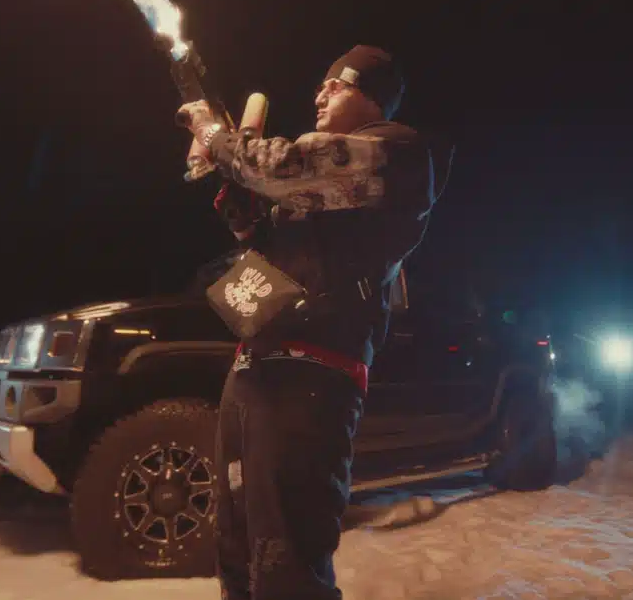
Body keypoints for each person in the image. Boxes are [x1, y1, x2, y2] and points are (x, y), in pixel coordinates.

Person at [176, 45, 439, 600]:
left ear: (372, 97)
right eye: (320, 85)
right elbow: (265, 234)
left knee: (287, 564)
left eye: (336, 85)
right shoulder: (318, 193)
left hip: (312, 381)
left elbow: (279, 168)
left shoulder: (396, 151)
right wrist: (240, 204)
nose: (319, 94)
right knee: (237, 549)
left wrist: (217, 137)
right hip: (255, 369)